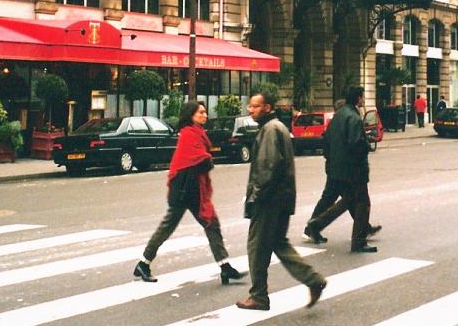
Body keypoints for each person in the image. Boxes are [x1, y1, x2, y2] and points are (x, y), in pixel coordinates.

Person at [134, 101, 245, 286]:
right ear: (191, 115)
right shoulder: (188, 134)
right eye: (201, 112)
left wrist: (206, 160)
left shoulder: (198, 133)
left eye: (205, 112)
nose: (205, 115)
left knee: (211, 223)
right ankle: (143, 263)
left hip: (194, 189)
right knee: (168, 228)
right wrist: (207, 159)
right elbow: (198, 159)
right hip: (184, 190)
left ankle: (225, 268)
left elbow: (201, 160)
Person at [236, 92, 327, 311]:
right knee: (278, 243)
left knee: (257, 247)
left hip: (269, 200)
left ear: (267, 107)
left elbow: (268, 168)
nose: (251, 110)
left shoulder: (270, 130)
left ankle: (258, 295)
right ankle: (313, 280)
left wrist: (255, 197)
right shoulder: (278, 127)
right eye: (250, 106)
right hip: (282, 199)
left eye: (255, 106)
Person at [303, 86, 379, 253]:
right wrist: (367, 145)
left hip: (336, 167)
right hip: (353, 169)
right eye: (362, 97)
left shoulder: (338, 116)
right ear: (359, 99)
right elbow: (355, 144)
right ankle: (358, 242)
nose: (363, 99)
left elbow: (326, 141)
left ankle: (316, 224)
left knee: (347, 200)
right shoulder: (354, 117)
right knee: (362, 202)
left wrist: (330, 161)